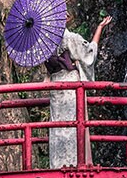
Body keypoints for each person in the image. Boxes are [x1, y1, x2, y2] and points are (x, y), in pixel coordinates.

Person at [46, 14, 112, 167]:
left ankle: (58, 165)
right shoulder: (71, 38)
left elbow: (51, 70)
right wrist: (99, 28)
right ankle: (75, 163)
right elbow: (89, 54)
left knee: (59, 125)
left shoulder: (47, 44)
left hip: (56, 88)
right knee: (75, 123)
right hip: (70, 86)